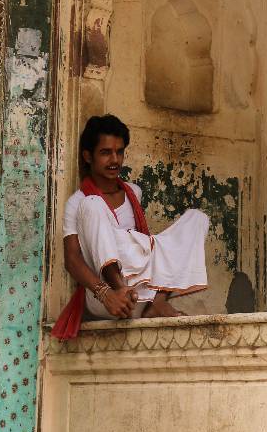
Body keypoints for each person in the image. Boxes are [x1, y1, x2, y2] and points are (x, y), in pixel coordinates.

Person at [52, 114, 209, 338]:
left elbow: (135, 245)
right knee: (93, 204)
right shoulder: (78, 202)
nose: (114, 159)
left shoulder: (133, 192)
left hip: (142, 293)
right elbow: (73, 259)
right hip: (105, 297)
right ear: (88, 156)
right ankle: (119, 289)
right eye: (106, 152)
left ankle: (158, 304)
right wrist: (107, 293)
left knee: (196, 219)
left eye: (119, 151)